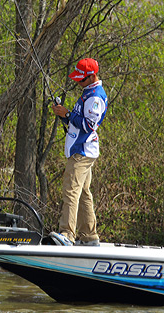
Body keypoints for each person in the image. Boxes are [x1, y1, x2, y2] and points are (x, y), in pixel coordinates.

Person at [51, 58, 108, 246]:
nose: (78, 82)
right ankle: (90, 236)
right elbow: (78, 121)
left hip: (81, 152)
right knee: (83, 193)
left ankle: (67, 235)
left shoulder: (95, 97)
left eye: (81, 79)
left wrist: (67, 114)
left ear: (92, 76)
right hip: (81, 150)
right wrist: (64, 115)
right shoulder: (88, 91)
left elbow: (89, 125)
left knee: (70, 191)